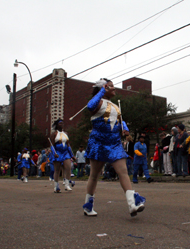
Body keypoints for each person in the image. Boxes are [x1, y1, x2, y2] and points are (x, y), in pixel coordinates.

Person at [83, 78, 146, 217]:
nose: (114, 88)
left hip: (114, 143)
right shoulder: (97, 102)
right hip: (98, 143)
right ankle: (88, 206)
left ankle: (132, 205)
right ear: (103, 88)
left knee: (123, 171)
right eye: (110, 87)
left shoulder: (115, 106)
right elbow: (89, 106)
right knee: (94, 176)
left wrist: (126, 129)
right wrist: (101, 91)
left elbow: (119, 120)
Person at [50, 119, 75, 192]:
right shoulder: (54, 134)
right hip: (57, 153)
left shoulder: (65, 133)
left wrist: (71, 155)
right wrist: (54, 153)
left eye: (62, 123)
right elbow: (52, 145)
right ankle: (56, 186)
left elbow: (68, 145)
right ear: (57, 125)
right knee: (57, 170)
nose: (62, 124)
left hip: (65, 153)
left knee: (68, 168)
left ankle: (67, 185)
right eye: (60, 123)